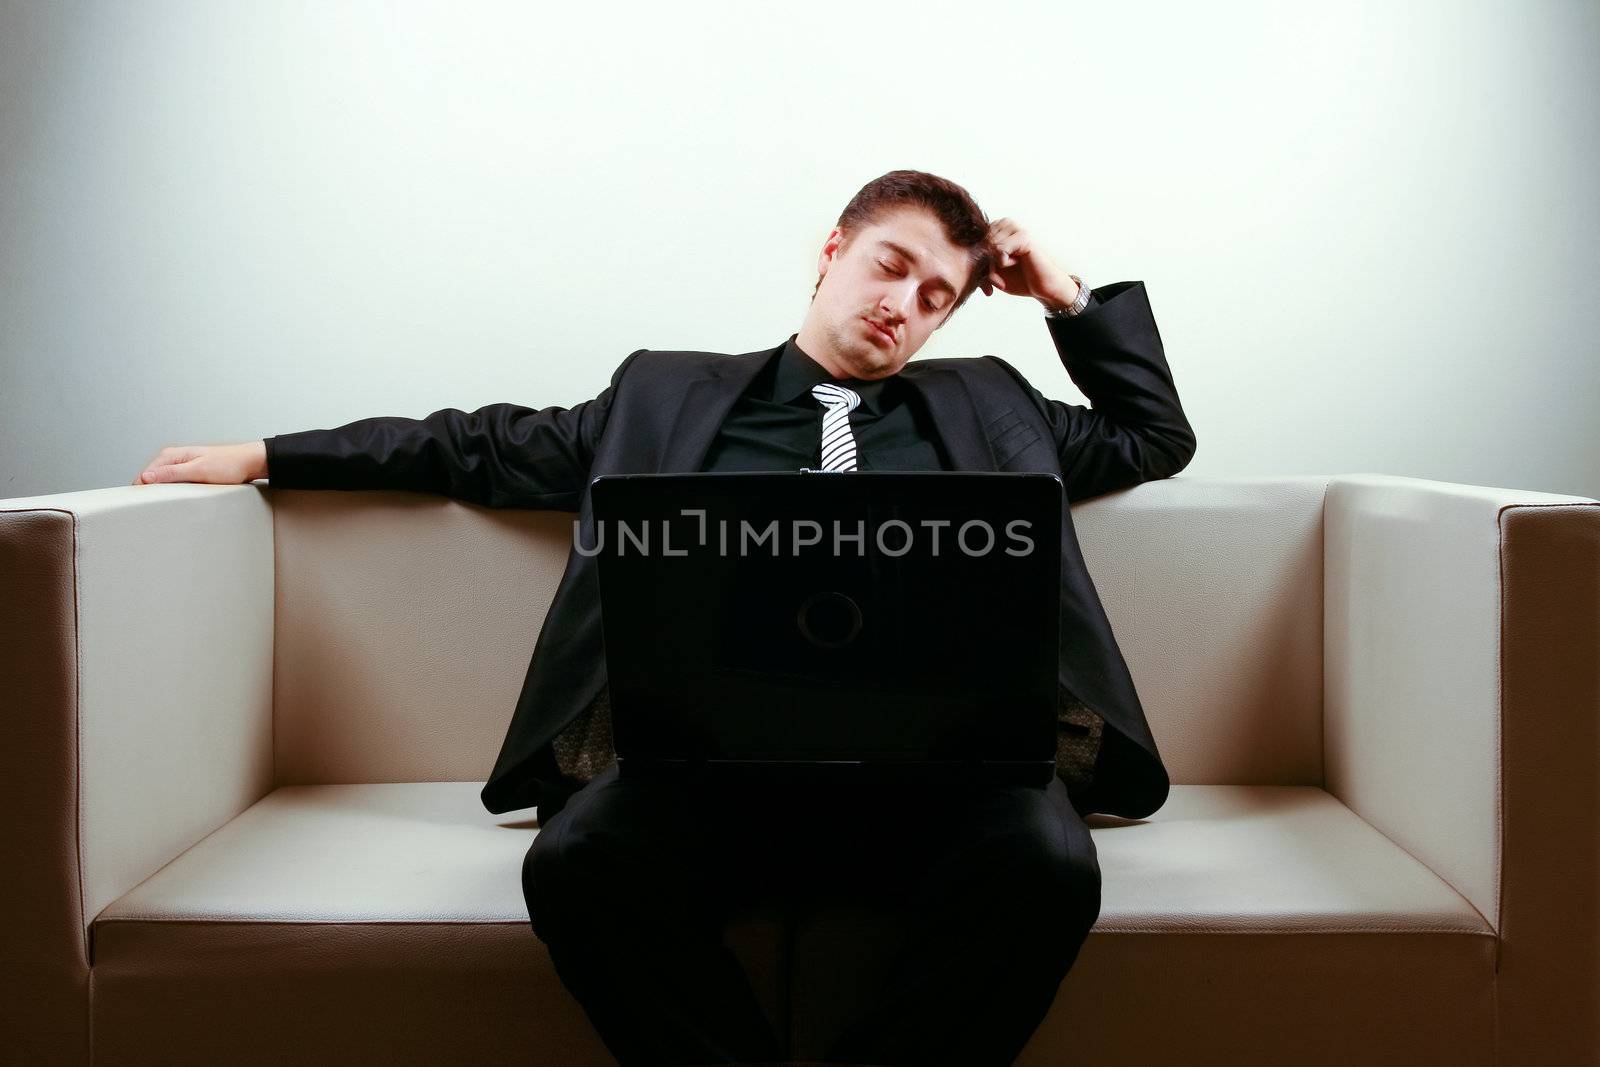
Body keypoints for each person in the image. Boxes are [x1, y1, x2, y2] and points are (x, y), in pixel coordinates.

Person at [135, 169, 1197, 1066]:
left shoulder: (991, 404)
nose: (903, 304)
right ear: (831, 249)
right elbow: (473, 444)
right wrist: (265, 456)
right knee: (576, 856)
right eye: (888, 264)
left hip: (945, 781)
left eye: (934, 296)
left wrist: (1062, 293)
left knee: (1048, 864)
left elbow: (1153, 437)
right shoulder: (663, 394)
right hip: (704, 777)